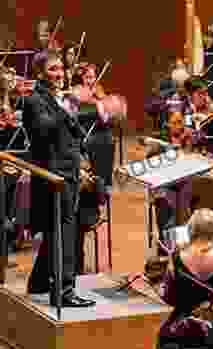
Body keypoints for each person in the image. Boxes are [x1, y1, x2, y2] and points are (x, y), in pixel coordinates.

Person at [23, 49, 118, 306]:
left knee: (63, 230)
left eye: (60, 69)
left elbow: (74, 132)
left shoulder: (57, 99)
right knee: (62, 233)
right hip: (54, 176)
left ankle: (42, 282)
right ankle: (63, 293)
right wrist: (69, 106)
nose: (59, 74)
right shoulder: (33, 101)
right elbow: (44, 129)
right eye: (52, 69)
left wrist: (98, 111)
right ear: (40, 73)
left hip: (70, 173)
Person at [155, 209, 213, 349]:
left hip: (182, 327)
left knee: (161, 338)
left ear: (190, 231)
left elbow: (168, 297)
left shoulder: (177, 257)